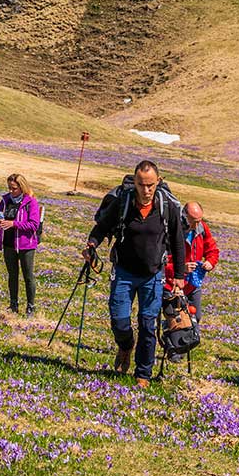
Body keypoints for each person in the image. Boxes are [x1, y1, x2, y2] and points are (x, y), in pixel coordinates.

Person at [84, 160, 187, 388]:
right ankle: (125, 345)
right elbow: (101, 227)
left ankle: (143, 373)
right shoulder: (124, 202)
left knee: (148, 324)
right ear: (135, 182)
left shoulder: (166, 206)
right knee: (119, 320)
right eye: (141, 184)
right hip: (124, 272)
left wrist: (179, 275)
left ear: (158, 182)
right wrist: (92, 244)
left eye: (150, 185)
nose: (146, 190)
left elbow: (178, 242)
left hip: (153, 275)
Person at [0, 174, 41, 316]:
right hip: (8, 243)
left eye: (14, 188)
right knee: (12, 275)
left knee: (28, 275)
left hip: (26, 245)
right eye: (9, 188)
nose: (11, 191)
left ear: (21, 187)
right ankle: (13, 304)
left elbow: (34, 224)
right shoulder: (5, 200)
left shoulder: (30, 202)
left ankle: (30, 306)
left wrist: (13, 224)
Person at [165, 201, 219, 324]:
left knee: (196, 317)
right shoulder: (172, 230)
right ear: (184, 216)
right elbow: (161, 261)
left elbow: (212, 249)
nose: (197, 224)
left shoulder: (202, 228)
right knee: (177, 321)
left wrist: (210, 262)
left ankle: (190, 340)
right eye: (193, 221)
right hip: (172, 284)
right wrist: (180, 268)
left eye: (199, 220)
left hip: (193, 283)